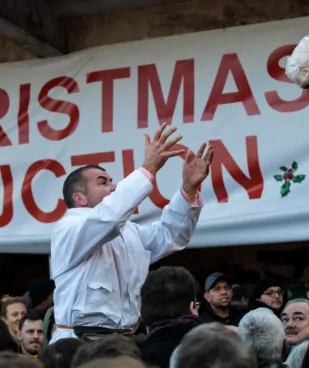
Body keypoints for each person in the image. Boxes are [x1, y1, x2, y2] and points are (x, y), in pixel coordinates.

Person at [50, 123, 212, 343]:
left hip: (125, 340)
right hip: (79, 343)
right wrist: (148, 168)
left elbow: (170, 235)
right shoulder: (69, 228)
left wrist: (188, 190)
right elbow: (109, 217)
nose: (113, 186)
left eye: (112, 181)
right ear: (79, 198)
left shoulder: (128, 231)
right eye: (102, 182)